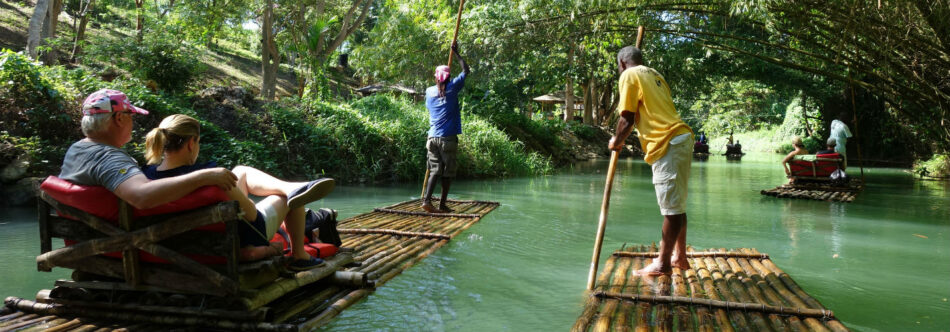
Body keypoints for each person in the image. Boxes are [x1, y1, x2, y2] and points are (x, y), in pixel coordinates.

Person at [143, 114, 335, 270]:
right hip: (236, 239)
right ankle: (299, 254)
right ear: (191, 143)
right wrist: (246, 200)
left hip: (181, 242)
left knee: (240, 171)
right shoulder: (209, 177)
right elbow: (252, 216)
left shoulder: (146, 177)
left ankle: (292, 188)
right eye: (198, 142)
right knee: (289, 198)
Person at [608, 46, 694, 276]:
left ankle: (663, 263)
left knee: (671, 209)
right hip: (680, 138)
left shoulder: (629, 75)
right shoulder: (655, 74)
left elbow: (627, 117)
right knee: (677, 206)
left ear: (622, 63)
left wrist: (616, 141)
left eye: (618, 67)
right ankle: (680, 257)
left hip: (668, 141)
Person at [421, 42, 471, 213]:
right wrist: (456, 53)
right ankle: (442, 204)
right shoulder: (452, 88)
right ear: (449, 78)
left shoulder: (428, 92)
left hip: (432, 138)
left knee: (435, 169)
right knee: (448, 172)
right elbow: (466, 70)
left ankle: (427, 201)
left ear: (435, 77)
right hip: (447, 138)